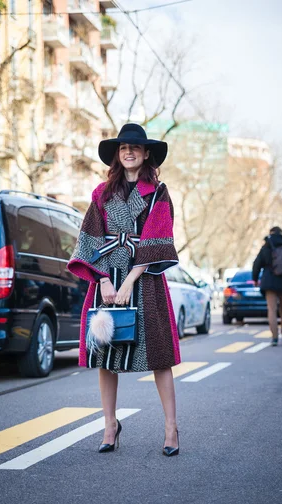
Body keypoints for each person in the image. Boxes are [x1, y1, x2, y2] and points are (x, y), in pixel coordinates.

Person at [67, 123, 181, 456]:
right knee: (105, 357)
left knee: (160, 357)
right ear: (118, 155)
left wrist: (131, 279)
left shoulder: (159, 193)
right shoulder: (101, 193)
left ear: (146, 153)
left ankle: (171, 429)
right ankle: (109, 425)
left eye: (134, 147)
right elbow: (90, 236)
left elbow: (157, 239)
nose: (128, 151)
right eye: (122, 148)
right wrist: (102, 279)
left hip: (144, 280)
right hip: (106, 279)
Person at [252, 226, 282, 346]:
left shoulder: (266, 247)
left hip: (269, 282)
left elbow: (256, 264)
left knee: (272, 310)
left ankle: (274, 338)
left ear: (271, 234)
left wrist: (255, 279)